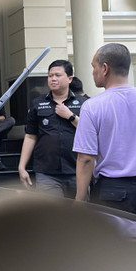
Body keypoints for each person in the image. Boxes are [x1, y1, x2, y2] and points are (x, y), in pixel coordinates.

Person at [73, 43, 136, 224]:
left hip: (114, 193)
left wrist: (80, 201)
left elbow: (86, 159)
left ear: (104, 68)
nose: (92, 71)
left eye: (93, 66)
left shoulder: (92, 106)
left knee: (116, 251)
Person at [17, 60, 87, 198]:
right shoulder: (37, 103)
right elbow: (30, 136)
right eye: (50, 76)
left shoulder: (83, 103)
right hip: (47, 172)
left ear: (69, 78)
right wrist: (21, 166)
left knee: (80, 215)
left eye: (57, 75)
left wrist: (71, 116)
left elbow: (89, 132)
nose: (53, 79)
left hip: (77, 170)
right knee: (52, 216)